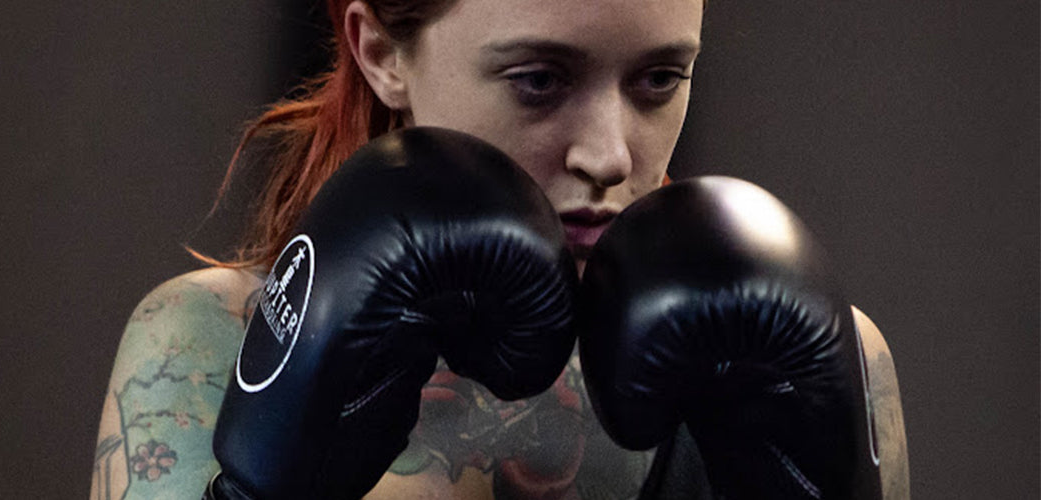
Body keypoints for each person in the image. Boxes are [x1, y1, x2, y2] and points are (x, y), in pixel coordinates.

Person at [90, 0, 909, 499]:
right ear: (380, 53)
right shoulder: (205, 347)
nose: (610, 154)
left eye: (659, 79)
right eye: (540, 81)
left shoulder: (814, 361)